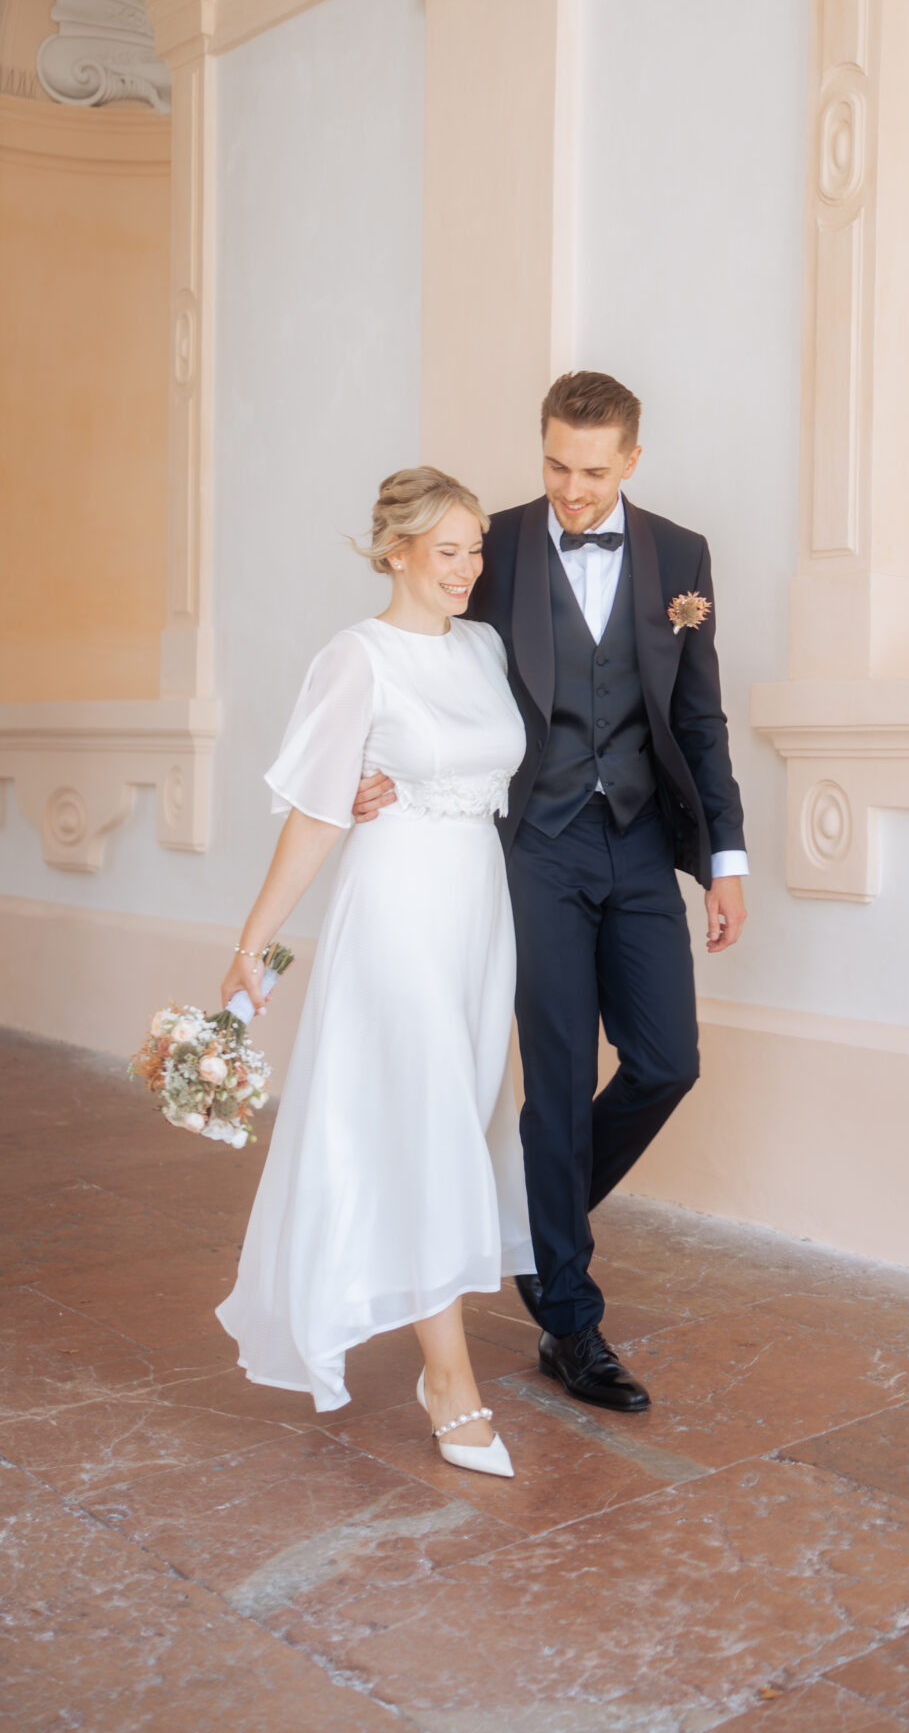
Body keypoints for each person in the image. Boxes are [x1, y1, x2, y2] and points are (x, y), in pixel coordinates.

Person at [354, 372, 747, 1413]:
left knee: (666, 1062)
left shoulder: (681, 555)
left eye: (593, 472)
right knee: (560, 1083)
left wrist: (727, 860)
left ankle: (535, 1221)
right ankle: (569, 1319)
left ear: (631, 461)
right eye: (556, 466)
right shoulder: (499, 546)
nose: (572, 491)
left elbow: (698, 719)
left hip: (641, 844)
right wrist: (369, 763)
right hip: (534, 848)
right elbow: (423, 657)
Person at [215, 468, 534, 1479]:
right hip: (395, 910)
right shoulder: (355, 657)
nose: (467, 569)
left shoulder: (484, 648)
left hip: (477, 913)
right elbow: (316, 815)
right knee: (429, 1125)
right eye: (447, 551)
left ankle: (432, 1346)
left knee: (455, 1116)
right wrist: (254, 943)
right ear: (395, 553)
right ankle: (450, 1380)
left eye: (475, 549)